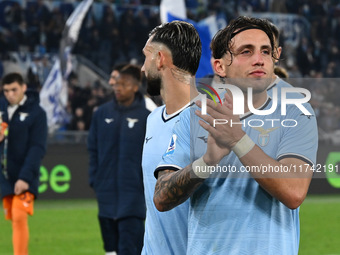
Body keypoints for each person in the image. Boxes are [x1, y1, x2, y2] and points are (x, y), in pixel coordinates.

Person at [153, 16, 318, 254]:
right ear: (220, 66)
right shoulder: (194, 116)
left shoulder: (295, 113)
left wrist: (238, 140)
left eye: (266, 51)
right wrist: (205, 163)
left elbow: (293, 192)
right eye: (246, 52)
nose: (259, 59)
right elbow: (161, 198)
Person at [140, 21, 201, 254]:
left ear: (160, 59)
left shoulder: (211, 121)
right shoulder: (153, 118)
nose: (143, 68)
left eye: (146, 57)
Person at [87, 64, 150, 255]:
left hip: (133, 198)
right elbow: (92, 148)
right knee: (110, 251)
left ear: (135, 86)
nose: (117, 87)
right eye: (116, 84)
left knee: (129, 249)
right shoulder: (101, 114)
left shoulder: (147, 117)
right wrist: (95, 179)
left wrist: (143, 185)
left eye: (123, 84)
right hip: (106, 195)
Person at [0, 72, 47, 255]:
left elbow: (37, 148)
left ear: (23, 88)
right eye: (6, 91)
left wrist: (25, 177)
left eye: (14, 90)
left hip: (25, 175)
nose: (10, 94)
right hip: (5, 176)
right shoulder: (1, 111)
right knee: (13, 217)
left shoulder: (37, 113)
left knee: (19, 215)